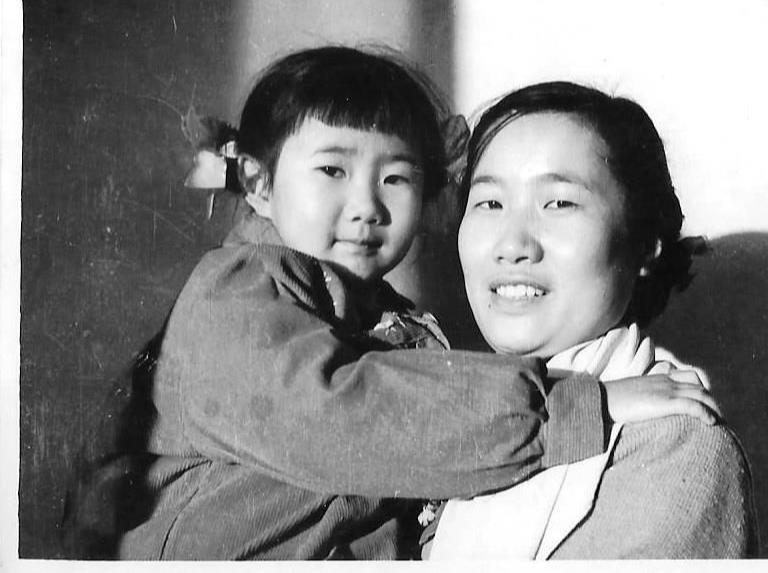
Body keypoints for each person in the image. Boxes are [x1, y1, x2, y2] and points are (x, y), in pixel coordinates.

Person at [65, 49, 721, 560]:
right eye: (332, 170)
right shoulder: (238, 290)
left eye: (397, 176)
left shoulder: (410, 335)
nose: (366, 205)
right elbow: (339, 418)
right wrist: (575, 408)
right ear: (259, 184)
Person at [424, 82, 757, 559]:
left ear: (644, 243)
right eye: (490, 203)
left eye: (559, 203)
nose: (513, 244)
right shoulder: (440, 420)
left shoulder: (674, 443)